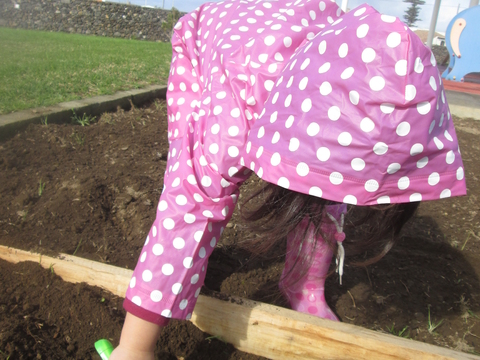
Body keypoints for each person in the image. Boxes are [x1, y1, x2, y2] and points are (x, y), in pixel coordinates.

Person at [111, 0, 466, 358]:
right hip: (209, 47)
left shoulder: (354, 61)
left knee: (327, 187)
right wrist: (134, 347)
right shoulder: (235, 111)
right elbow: (189, 205)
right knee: (197, 182)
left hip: (288, 43)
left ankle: (302, 284)